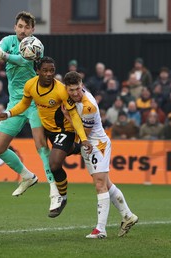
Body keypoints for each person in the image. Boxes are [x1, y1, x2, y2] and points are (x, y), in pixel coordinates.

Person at [0, 57, 93, 218]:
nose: (49, 74)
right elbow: (24, 104)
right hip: (48, 129)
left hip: (64, 130)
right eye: (45, 70)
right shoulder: (30, 85)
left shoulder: (61, 90)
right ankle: (77, 149)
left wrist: (83, 137)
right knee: (65, 151)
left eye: (52, 70)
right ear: (37, 71)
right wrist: (7, 114)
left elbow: (73, 113)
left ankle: (60, 196)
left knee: (54, 163)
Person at [0, 12, 60, 212]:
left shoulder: (36, 45)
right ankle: (28, 176)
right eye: (20, 26)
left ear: (33, 30)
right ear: (15, 27)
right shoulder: (7, 41)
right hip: (15, 103)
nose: (23, 30)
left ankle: (54, 191)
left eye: (27, 27)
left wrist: (4, 56)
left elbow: (22, 60)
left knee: (40, 145)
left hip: (35, 101)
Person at [63, 71, 138, 238]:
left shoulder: (88, 105)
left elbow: (85, 132)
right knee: (106, 183)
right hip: (89, 146)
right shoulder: (70, 95)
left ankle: (100, 229)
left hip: (98, 145)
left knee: (99, 184)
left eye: (77, 89)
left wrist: (68, 117)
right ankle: (127, 215)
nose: (75, 93)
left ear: (81, 85)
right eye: (71, 90)